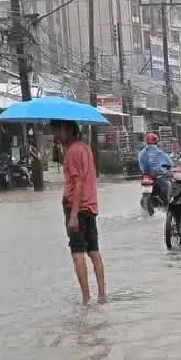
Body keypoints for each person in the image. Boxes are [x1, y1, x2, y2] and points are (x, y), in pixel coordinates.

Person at [54, 120, 106, 305]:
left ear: (68, 130)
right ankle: (102, 296)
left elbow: (78, 183)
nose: (56, 134)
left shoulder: (73, 151)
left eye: (58, 130)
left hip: (78, 208)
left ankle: (86, 299)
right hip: (90, 206)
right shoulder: (84, 148)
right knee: (94, 251)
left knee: (78, 254)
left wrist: (74, 215)